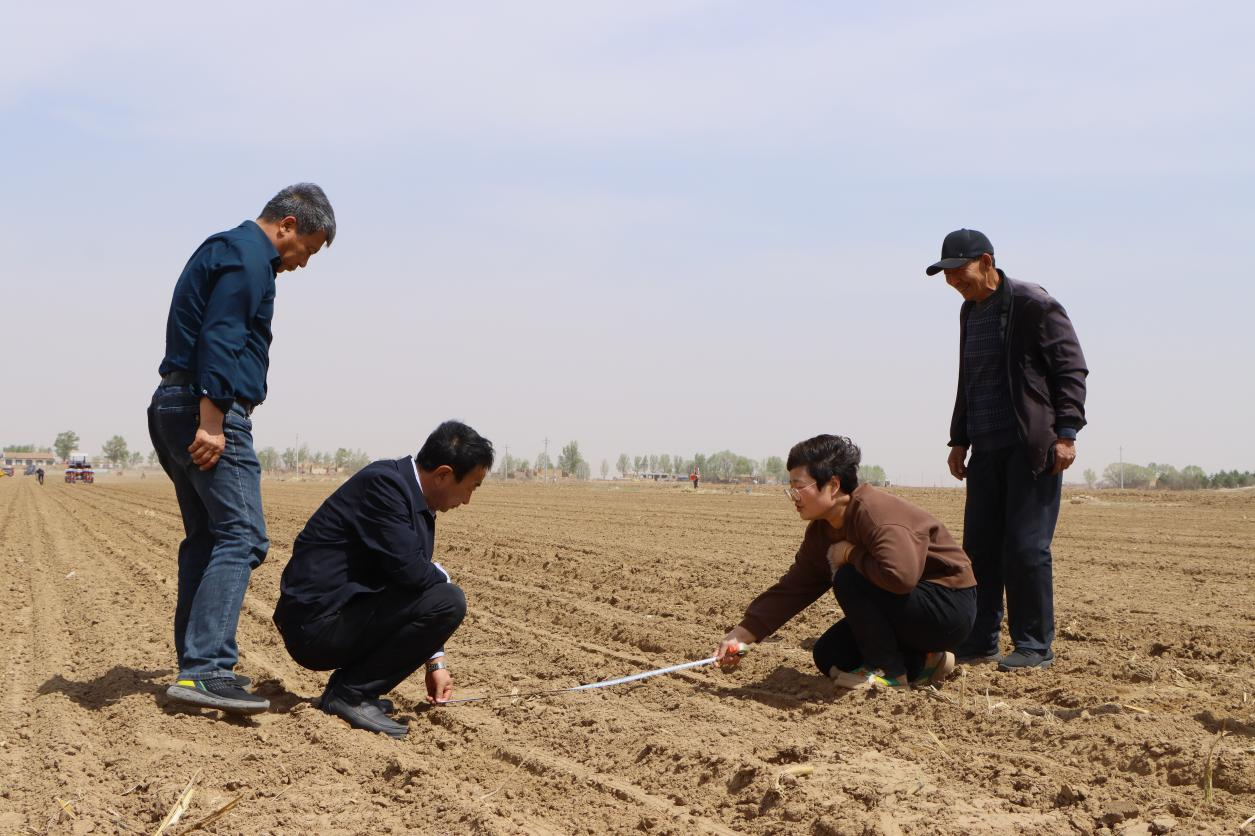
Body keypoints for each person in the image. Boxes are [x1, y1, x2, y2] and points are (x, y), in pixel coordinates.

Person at [148, 183, 336, 714]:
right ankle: (206, 668)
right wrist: (213, 418)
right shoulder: (251, 256)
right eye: (309, 249)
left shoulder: (221, 247)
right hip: (206, 408)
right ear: (289, 226)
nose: (303, 263)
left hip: (172, 400)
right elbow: (223, 333)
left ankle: (193, 667)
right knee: (244, 536)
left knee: (208, 537)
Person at [926, 229, 1088, 671]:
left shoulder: (1033, 303)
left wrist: (1067, 432)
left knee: (1025, 547)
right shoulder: (969, 312)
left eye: (959, 272)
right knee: (979, 549)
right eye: (947, 275)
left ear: (986, 260)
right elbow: (970, 379)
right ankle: (980, 641)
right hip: (986, 448)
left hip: (1031, 446)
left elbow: (1070, 368)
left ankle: (1034, 644)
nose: (953, 281)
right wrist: (959, 438)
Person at [272, 420, 493, 738]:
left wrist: (435, 663)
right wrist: (441, 574)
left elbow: (412, 581)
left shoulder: (413, 500)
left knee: (440, 595)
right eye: (471, 486)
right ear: (444, 474)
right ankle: (349, 695)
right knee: (449, 599)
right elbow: (413, 573)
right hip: (316, 625)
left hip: (338, 616)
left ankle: (349, 690)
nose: (468, 499)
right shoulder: (385, 487)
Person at [713, 434, 976, 689]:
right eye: (790, 488)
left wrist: (851, 554)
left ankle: (889, 675)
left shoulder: (876, 514)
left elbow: (900, 577)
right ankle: (927, 661)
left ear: (833, 485)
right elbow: (796, 587)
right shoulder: (822, 530)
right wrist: (741, 635)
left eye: (798, 487)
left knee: (848, 576)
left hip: (947, 607)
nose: (793, 497)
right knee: (829, 654)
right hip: (909, 610)